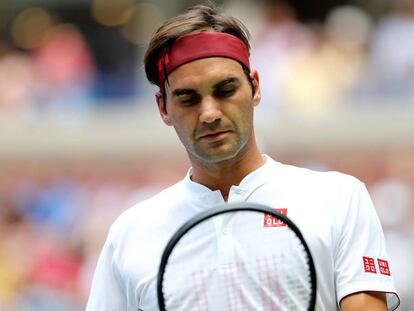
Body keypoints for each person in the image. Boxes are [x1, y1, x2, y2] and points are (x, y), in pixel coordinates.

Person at [86, 4, 399, 310]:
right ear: (163, 108)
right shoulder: (130, 233)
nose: (209, 113)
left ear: (256, 87)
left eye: (225, 90)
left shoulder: (340, 199)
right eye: (188, 98)